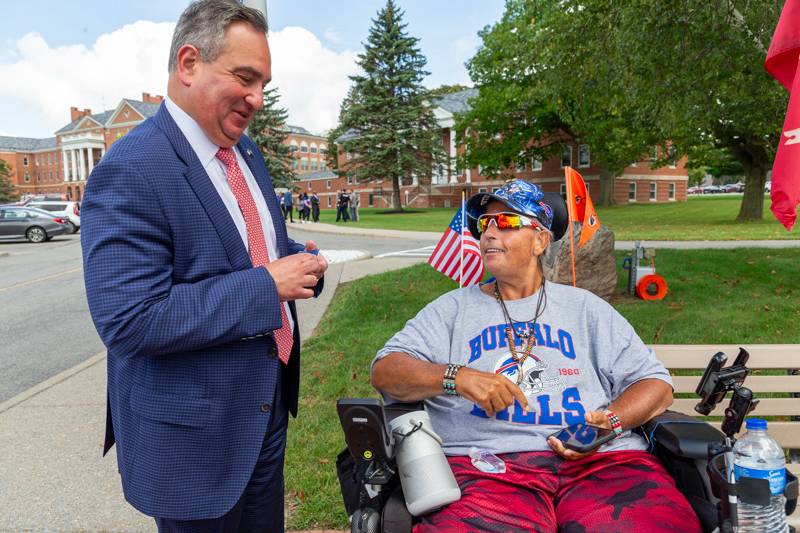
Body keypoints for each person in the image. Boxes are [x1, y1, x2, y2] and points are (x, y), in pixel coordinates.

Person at [80, 2, 327, 531]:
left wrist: (298, 264)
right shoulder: (130, 170)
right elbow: (130, 320)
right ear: (189, 63)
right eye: (245, 78)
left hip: (263, 407)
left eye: (263, 83)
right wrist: (267, 285)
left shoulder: (246, 151)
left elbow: (261, 245)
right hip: (191, 437)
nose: (258, 99)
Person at [371, 179, 701, 532]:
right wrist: (456, 376)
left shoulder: (585, 308)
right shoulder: (450, 310)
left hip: (602, 463)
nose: (489, 233)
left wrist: (610, 422)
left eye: (507, 222)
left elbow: (656, 385)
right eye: (485, 224)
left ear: (541, 240)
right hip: (488, 469)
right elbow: (386, 371)